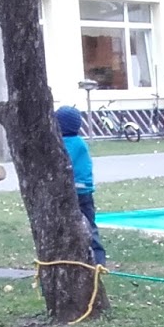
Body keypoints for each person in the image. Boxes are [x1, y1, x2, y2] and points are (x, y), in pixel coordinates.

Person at [53, 106, 107, 267]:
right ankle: (98, 261)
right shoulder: (80, 143)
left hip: (70, 192)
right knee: (89, 225)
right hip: (85, 192)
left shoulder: (60, 145)